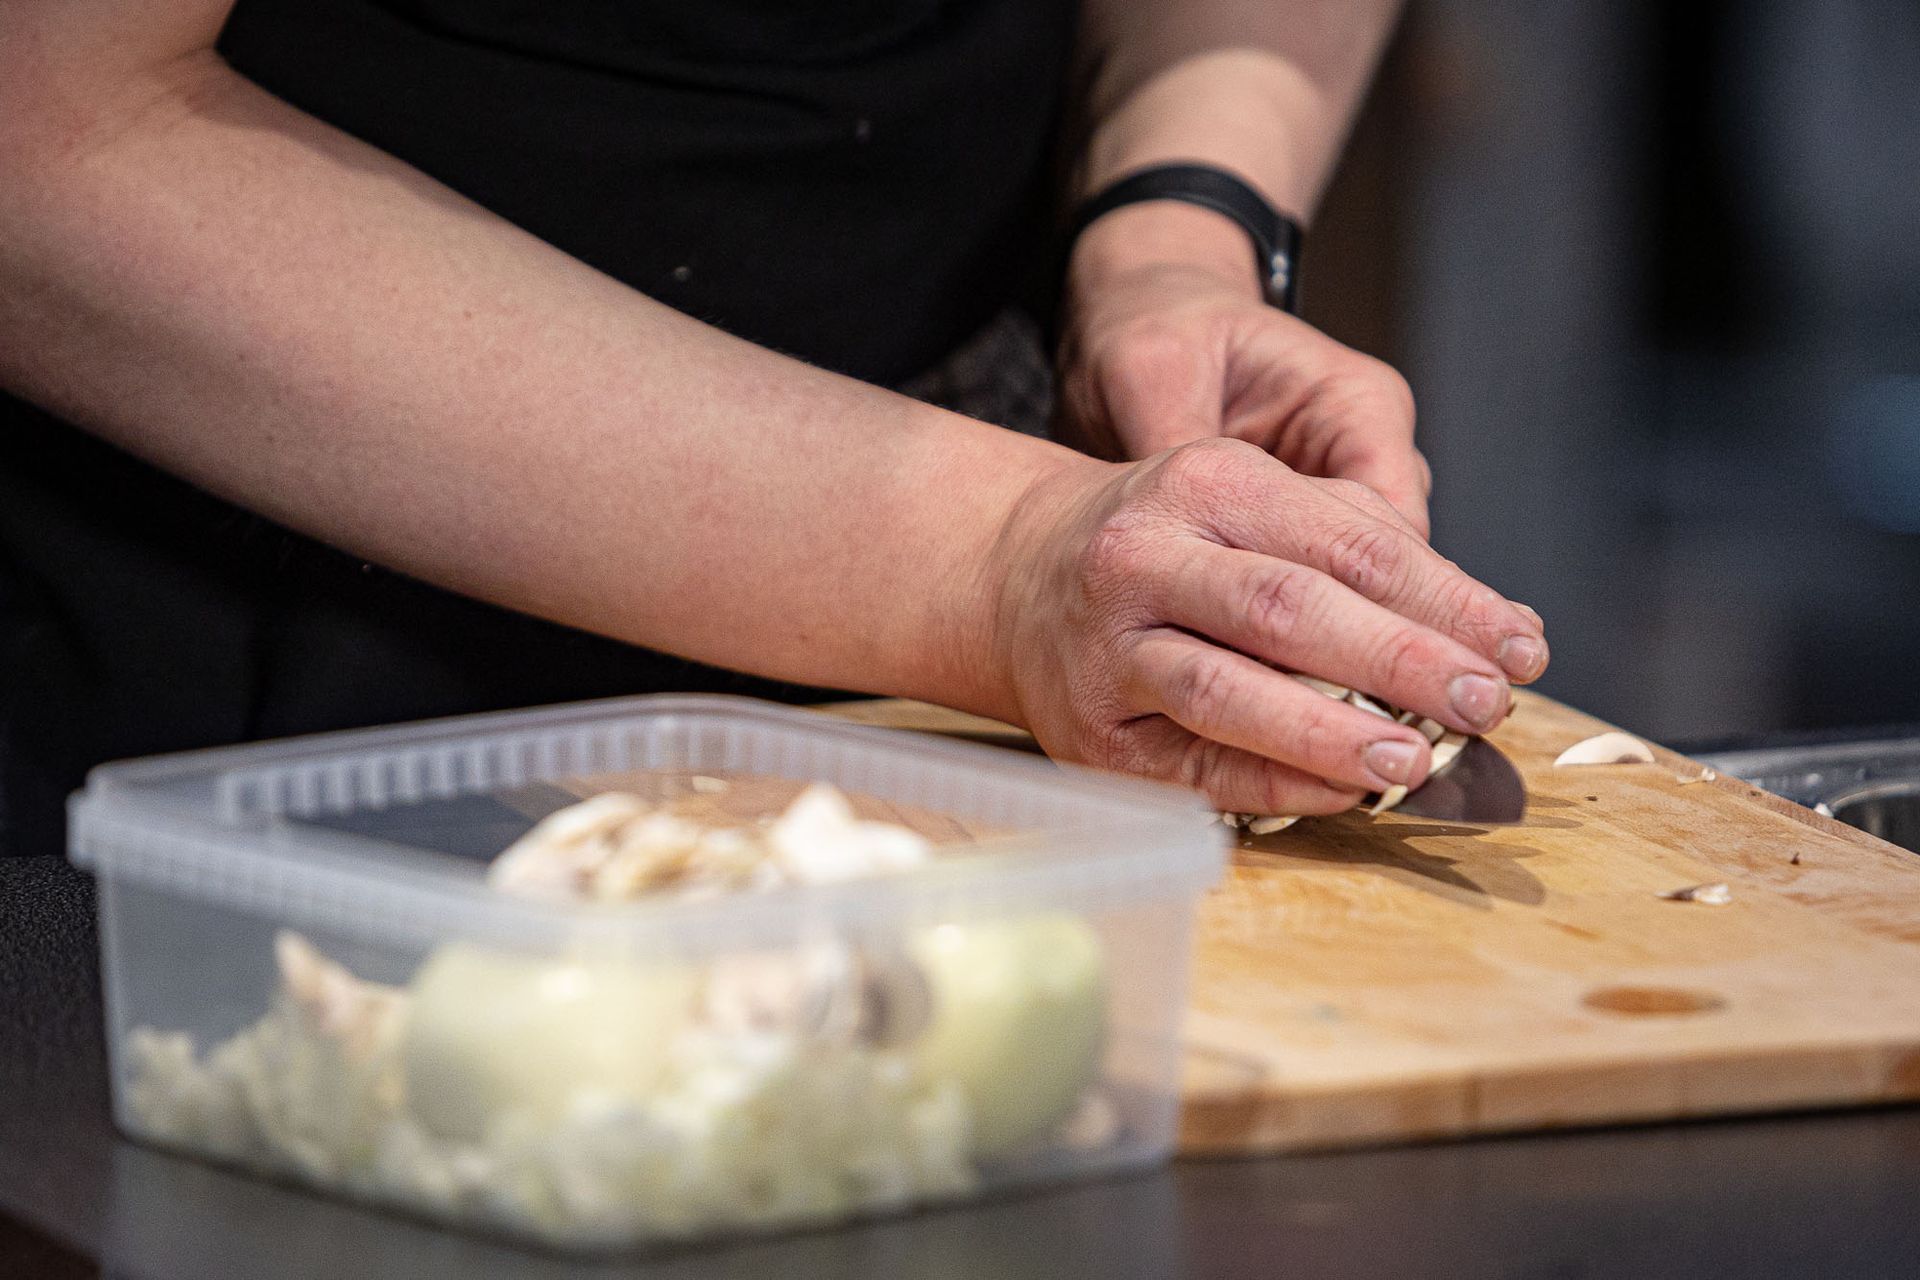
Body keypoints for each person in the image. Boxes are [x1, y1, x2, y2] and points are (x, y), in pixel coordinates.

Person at [0, 0, 1547, 860]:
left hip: (972, 664)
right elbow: (48, 129)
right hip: (246, 691)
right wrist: (995, 559)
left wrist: (1177, 224)